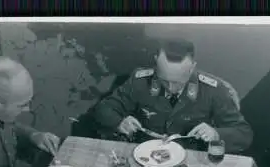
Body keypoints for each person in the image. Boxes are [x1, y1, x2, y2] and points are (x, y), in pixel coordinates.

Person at [94, 38, 253, 153]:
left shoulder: (213, 89)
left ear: (192, 68)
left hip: (193, 159)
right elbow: (104, 108)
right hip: (147, 156)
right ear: (156, 63)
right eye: (164, 80)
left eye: (178, 82)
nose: (170, 88)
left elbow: (243, 133)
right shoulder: (140, 80)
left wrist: (216, 134)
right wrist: (119, 122)